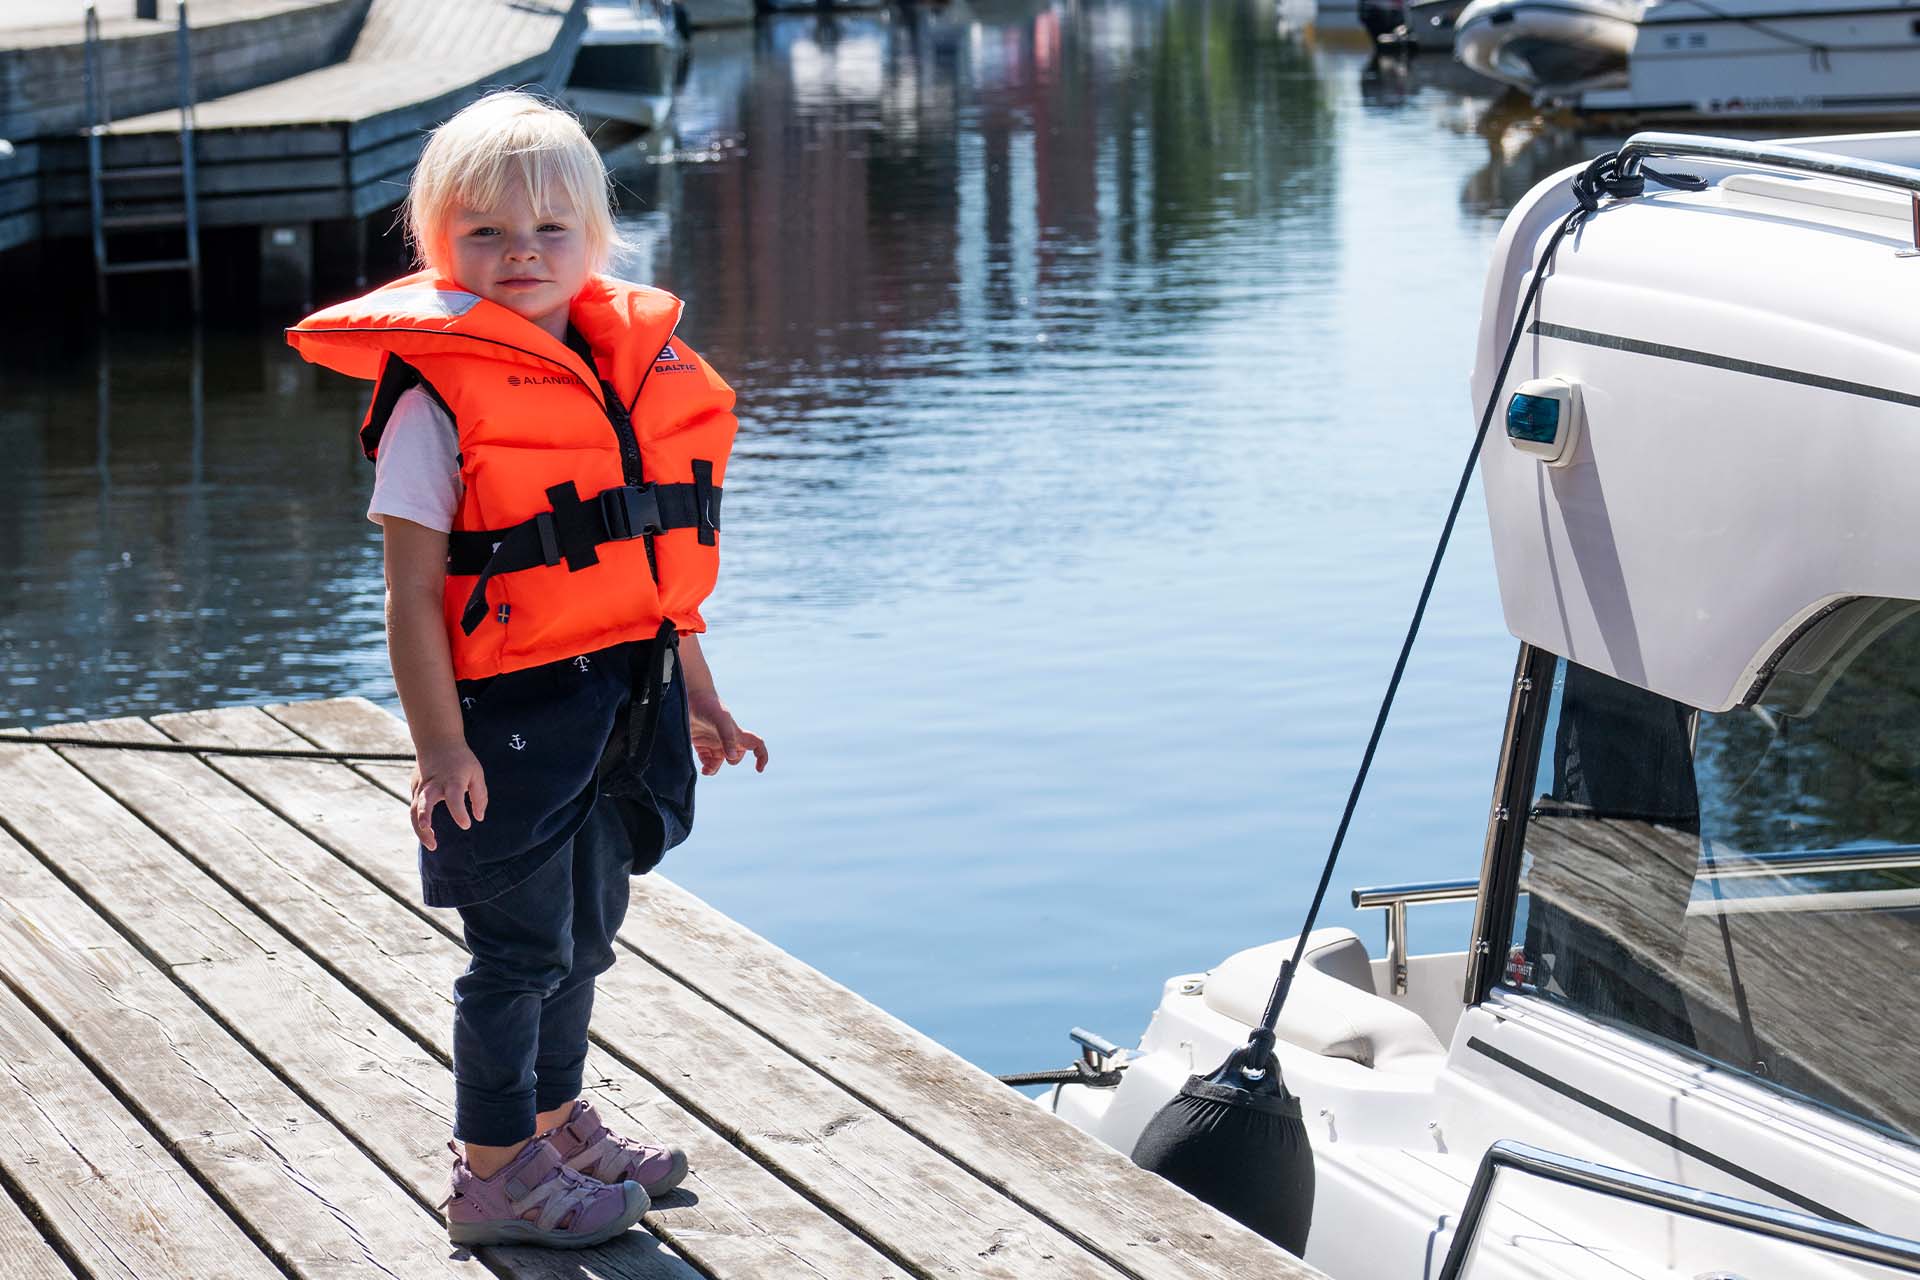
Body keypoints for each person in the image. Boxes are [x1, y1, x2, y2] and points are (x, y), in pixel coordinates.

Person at [288, 90, 768, 1250]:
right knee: (518, 951)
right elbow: (411, 595)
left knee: (590, 933)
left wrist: (701, 690)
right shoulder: (434, 398)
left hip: (623, 700)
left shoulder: (626, 372)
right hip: (499, 721)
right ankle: (493, 1166)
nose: (520, 255)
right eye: (486, 233)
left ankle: (553, 1121)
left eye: (550, 231)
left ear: (596, 239)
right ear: (436, 241)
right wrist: (437, 745)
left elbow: (653, 570)